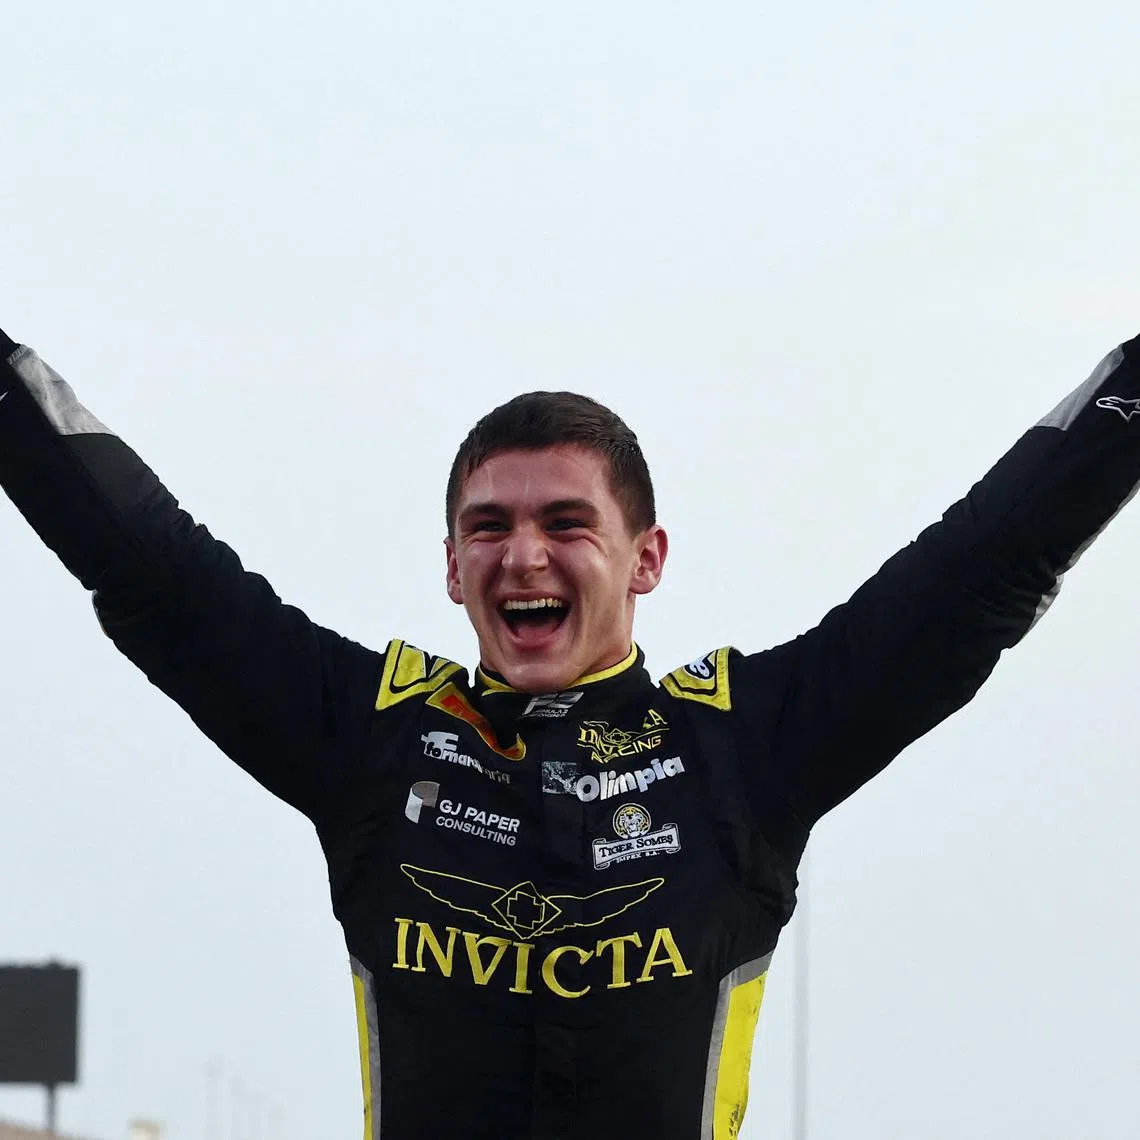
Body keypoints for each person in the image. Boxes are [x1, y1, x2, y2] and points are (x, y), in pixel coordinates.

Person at [3, 323, 1140, 1140]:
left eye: (566, 523)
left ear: (646, 557)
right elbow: (153, 574)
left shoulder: (743, 751)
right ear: (452, 568)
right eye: (487, 527)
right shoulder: (375, 743)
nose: (524, 555)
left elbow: (977, 577)